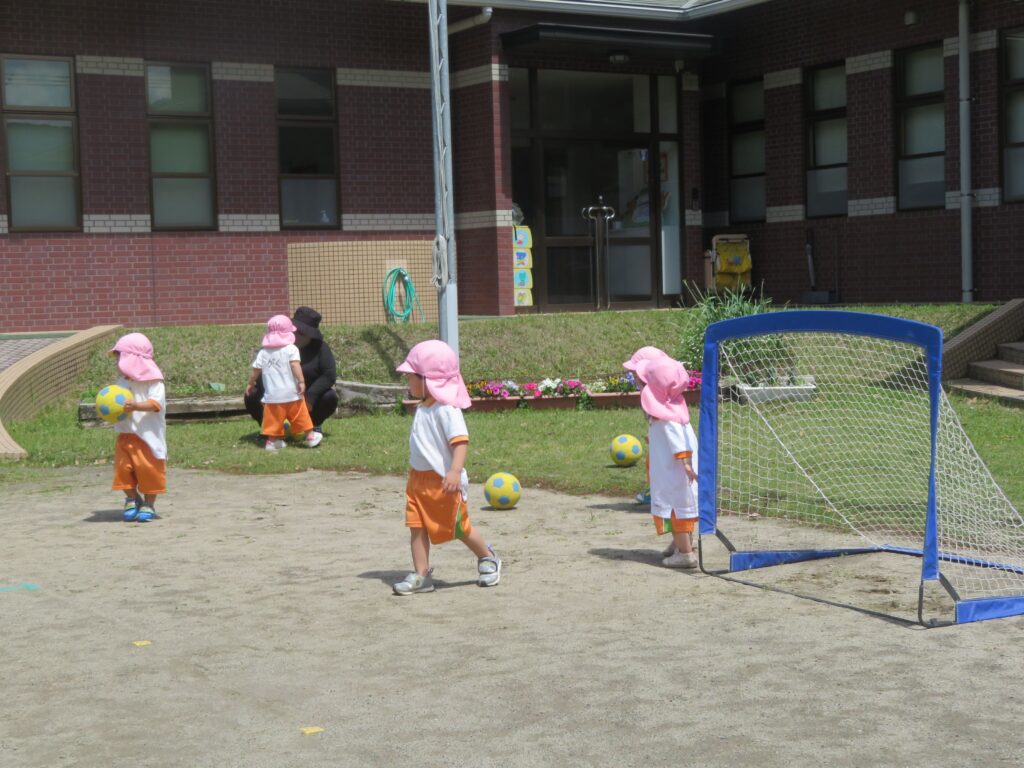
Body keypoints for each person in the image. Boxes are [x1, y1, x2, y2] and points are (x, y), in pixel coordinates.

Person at [391, 339, 501, 595]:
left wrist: (454, 471)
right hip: (417, 481)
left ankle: (487, 557)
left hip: (443, 482)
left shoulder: (447, 410)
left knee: (458, 527)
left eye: (411, 376)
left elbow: (460, 442)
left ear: (429, 380)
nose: (407, 381)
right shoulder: (423, 407)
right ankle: (422, 575)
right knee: (417, 527)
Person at [635, 355, 700, 568]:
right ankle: (682, 545)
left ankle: (686, 554)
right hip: (673, 472)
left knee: (676, 510)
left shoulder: (667, 418)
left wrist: (686, 463)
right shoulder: (673, 411)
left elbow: (678, 441)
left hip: (674, 474)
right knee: (680, 509)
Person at [244, 307, 337, 441]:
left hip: (306, 400)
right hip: (276, 399)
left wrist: (310, 398)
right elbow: (259, 373)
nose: (295, 335)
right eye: (293, 331)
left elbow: (329, 375)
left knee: (330, 396)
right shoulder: (271, 348)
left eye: (301, 333)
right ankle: (269, 429)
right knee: (251, 395)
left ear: (310, 335)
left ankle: (312, 426)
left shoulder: (321, 348)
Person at [110, 333, 167, 523]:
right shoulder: (122, 382)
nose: (117, 363)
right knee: (122, 471)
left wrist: (135, 406)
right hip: (125, 435)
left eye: (120, 358)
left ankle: (149, 504)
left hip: (147, 438)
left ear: (132, 360)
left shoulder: (154, 382)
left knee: (149, 472)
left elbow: (155, 404)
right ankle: (132, 498)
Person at [623, 346, 669, 506]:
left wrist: (657, 432)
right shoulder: (650, 389)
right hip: (660, 432)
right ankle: (656, 490)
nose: (633, 375)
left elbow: (662, 414)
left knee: (661, 463)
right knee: (654, 461)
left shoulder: (654, 391)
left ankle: (659, 492)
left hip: (667, 433)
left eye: (635, 372)